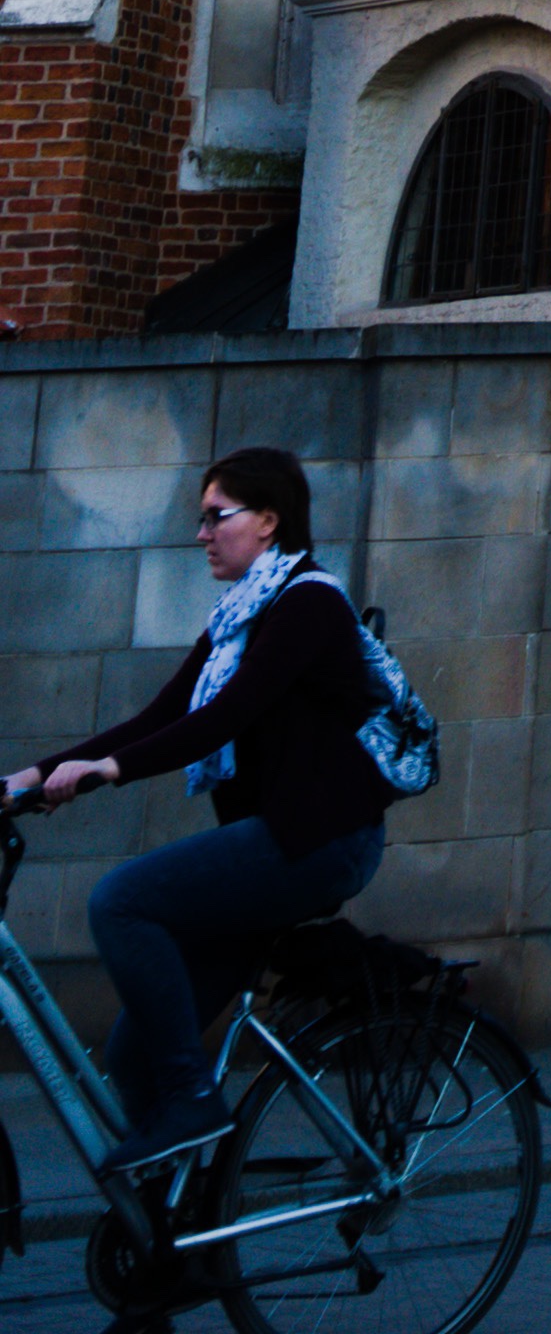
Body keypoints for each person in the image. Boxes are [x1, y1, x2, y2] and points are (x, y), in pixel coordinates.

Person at [3, 449, 391, 1180]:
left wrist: (108, 773)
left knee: (122, 902)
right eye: (201, 519)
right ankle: (180, 1233)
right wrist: (31, 777)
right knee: (131, 1049)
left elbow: (226, 716)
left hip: (321, 840)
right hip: (279, 842)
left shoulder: (308, 602)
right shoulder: (242, 615)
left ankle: (192, 1098)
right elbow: (160, 716)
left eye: (217, 516)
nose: (201, 533)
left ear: (268, 521)